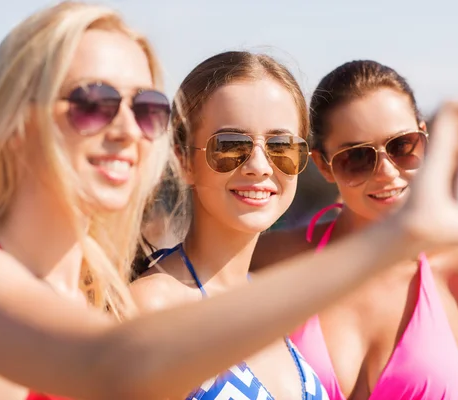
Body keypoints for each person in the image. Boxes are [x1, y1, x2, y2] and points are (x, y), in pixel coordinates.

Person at [0, 2, 458, 398]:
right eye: (90, 102)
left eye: (143, 109)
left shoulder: (97, 290)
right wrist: (393, 239)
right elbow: (113, 365)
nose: (123, 128)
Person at [252, 60, 458, 400]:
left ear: (426, 139)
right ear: (324, 166)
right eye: (357, 156)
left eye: (403, 145)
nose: (386, 170)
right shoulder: (270, 261)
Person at [130, 51, 328, 399]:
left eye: (281, 146)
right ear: (183, 158)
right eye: (231, 145)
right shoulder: (154, 310)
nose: (259, 166)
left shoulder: (271, 305)